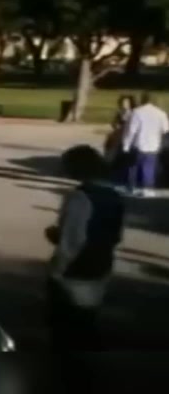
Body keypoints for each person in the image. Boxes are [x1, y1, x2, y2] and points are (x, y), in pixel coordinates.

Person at [44, 145, 124, 351]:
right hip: (101, 265)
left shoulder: (79, 197)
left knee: (66, 326)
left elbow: (73, 240)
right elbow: (115, 235)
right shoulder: (114, 196)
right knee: (87, 318)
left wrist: (58, 270)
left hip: (75, 270)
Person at [122, 92, 169, 197]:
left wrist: (126, 145)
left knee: (133, 167)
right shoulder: (161, 113)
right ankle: (148, 189)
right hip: (153, 146)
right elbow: (166, 130)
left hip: (139, 145)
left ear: (142, 100)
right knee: (149, 169)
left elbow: (131, 131)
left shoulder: (137, 112)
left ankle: (132, 188)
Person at [105, 95, 136, 182]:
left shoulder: (133, 113)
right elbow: (114, 124)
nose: (124, 105)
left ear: (130, 103)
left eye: (126, 103)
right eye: (123, 103)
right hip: (118, 136)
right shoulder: (119, 113)